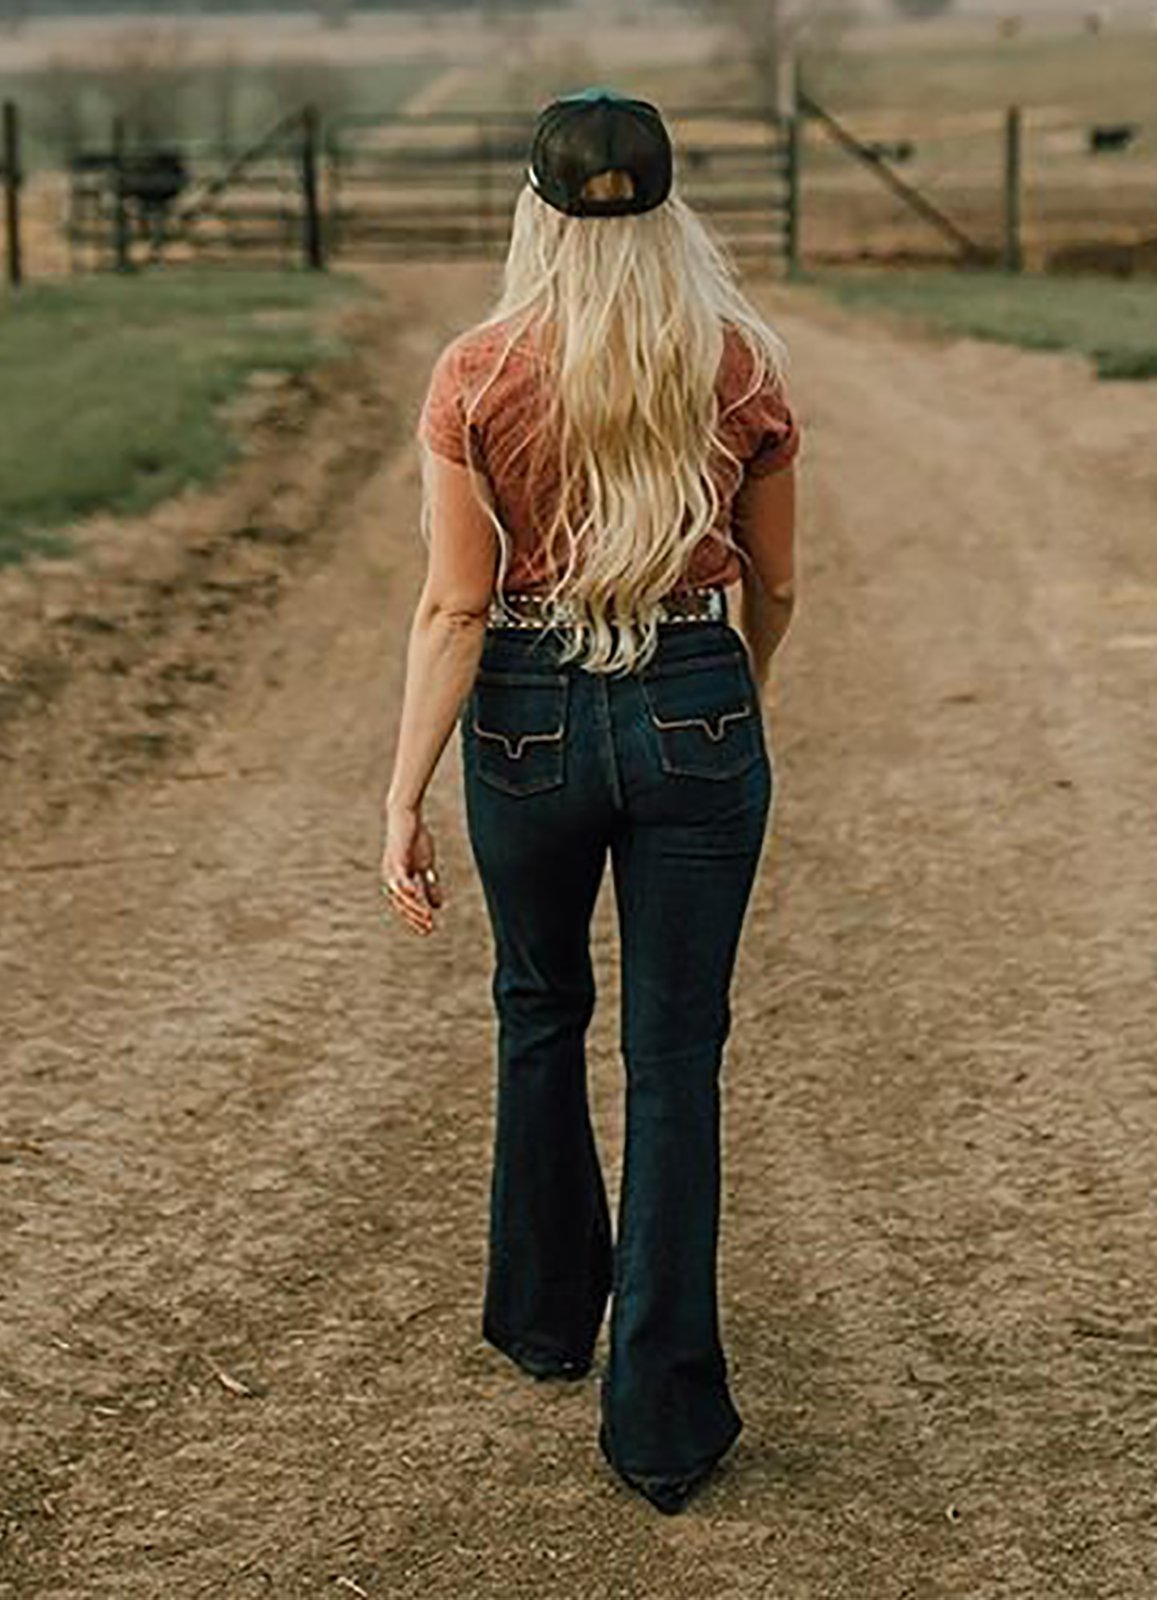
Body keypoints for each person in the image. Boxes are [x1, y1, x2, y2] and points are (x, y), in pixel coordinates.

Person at [381, 87, 801, 1515]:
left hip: (526, 723)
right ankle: (666, 1418)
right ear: (669, 209)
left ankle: (550, 1318)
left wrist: (403, 796)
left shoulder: (477, 373)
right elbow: (778, 580)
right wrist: (732, 690)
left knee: (538, 1008)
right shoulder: (736, 365)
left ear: (538, 211)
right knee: (679, 1060)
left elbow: (454, 604)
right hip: (693, 690)